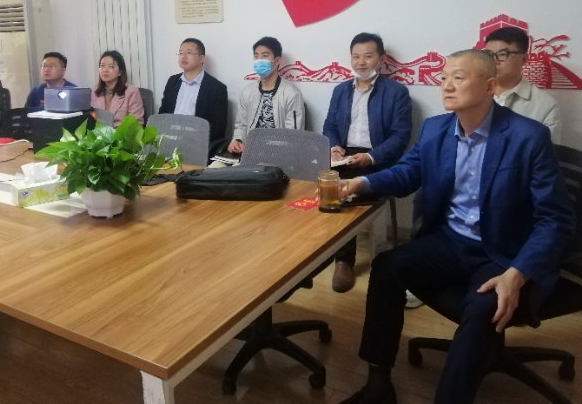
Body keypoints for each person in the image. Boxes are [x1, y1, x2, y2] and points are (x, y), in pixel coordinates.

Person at [338, 49, 574, 404]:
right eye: (444, 77)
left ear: (490, 86)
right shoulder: (436, 129)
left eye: (459, 78)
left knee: (483, 306)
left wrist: (518, 274)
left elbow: (555, 219)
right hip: (450, 241)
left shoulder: (528, 136)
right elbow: (408, 171)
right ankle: (378, 384)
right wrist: (362, 183)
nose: (446, 86)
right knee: (387, 267)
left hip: (503, 252)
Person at [323, 33, 412, 293]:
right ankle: (333, 256)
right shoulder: (341, 90)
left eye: (368, 56)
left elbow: (400, 136)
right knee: (325, 185)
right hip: (344, 155)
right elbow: (329, 125)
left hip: (378, 157)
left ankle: (355, 260)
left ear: (381, 59)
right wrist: (334, 146)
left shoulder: (397, 92)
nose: (361, 62)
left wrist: (371, 157)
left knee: (350, 190)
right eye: (356, 56)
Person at [227, 36, 304, 154]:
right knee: (215, 165)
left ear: (277, 61)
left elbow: (294, 137)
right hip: (249, 153)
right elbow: (241, 125)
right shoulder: (247, 92)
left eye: (265, 56)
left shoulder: (291, 94)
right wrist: (238, 140)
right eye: (256, 56)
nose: (259, 60)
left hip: (279, 155)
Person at [483, 26, 561, 142]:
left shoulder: (546, 106)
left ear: (524, 59)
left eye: (503, 54)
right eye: (489, 54)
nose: (494, 61)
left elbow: (547, 151)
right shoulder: (473, 92)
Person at [158, 38, 228, 146]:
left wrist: (192, 140)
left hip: (195, 143)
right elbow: (162, 114)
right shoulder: (172, 81)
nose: (183, 56)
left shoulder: (217, 88)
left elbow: (218, 128)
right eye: (181, 53)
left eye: (189, 52)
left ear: (201, 58)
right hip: (168, 139)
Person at [90, 50, 144, 126]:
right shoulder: (95, 91)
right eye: (102, 66)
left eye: (111, 66)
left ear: (120, 72)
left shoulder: (132, 92)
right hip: (99, 133)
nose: (105, 70)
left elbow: (137, 124)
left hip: (122, 133)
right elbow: (92, 119)